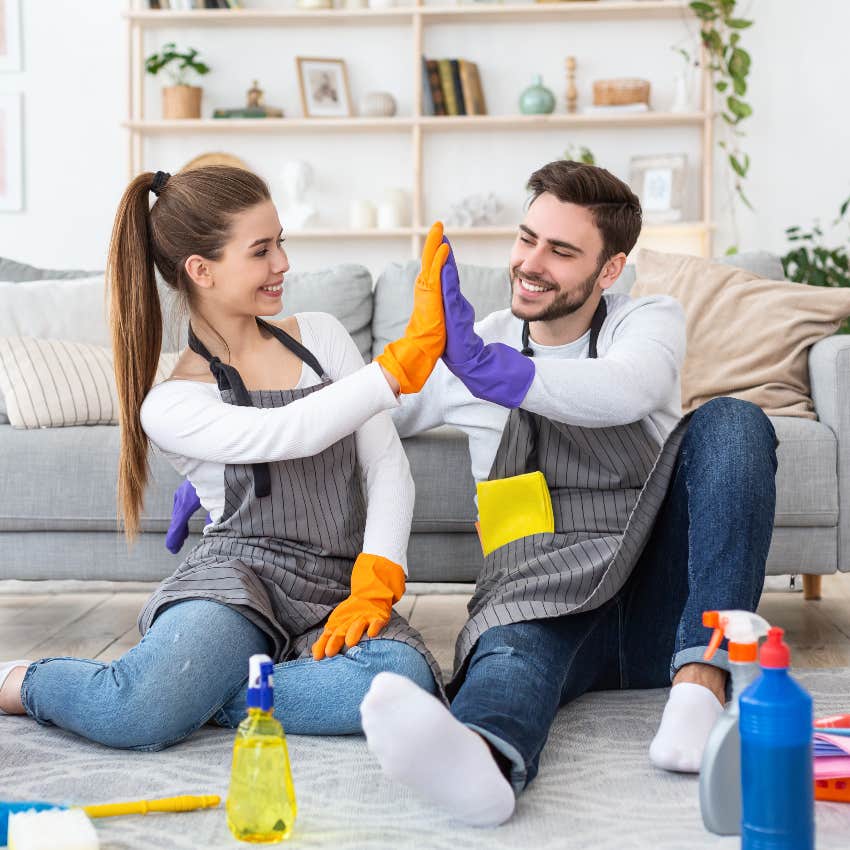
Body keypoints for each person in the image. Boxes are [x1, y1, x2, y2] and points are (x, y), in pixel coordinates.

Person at [358, 160, 778, 826]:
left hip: (659, 605)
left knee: (735, 421)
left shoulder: (643, 323)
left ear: (609, 270)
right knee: (509, 664)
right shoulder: (472, 344)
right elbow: (362, 418)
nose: (530, 262)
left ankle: (700, 687)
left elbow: (626, 389)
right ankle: (483, 763)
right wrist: (232, 459)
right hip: (537, 596)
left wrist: (491, 371)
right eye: (527, 239)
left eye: (560, 250)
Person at [0, 165, 451, 749]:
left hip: (341, 587)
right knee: (135, 714)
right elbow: (286, 433)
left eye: (280, 242)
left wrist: (379, 574)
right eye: (261, 250)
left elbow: (387, 465)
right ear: (201, 270)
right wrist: (395, 368)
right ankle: (20, 681)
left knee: (405, 681)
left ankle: (211, 695)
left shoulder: (321, 336)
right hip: (237, 584)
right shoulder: (170, 403)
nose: (283, 263)